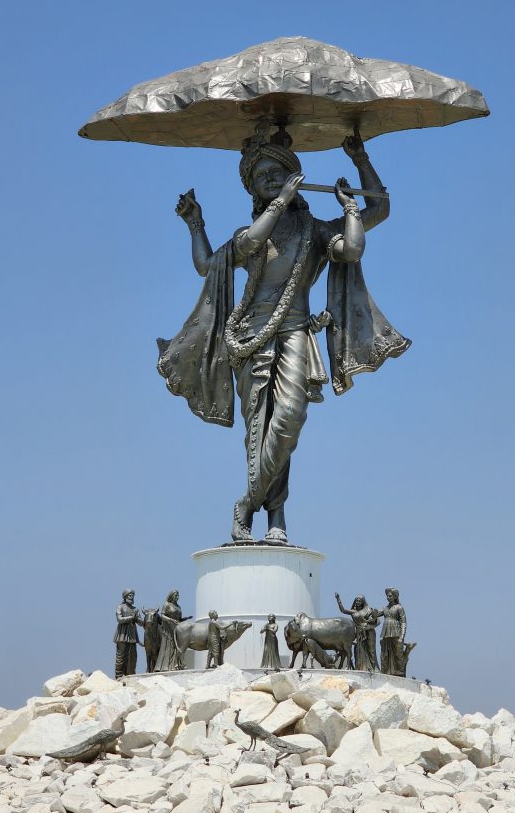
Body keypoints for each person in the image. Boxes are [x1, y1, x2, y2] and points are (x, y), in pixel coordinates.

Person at [159, 126, 409, 544]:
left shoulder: (313, 229)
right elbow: (210, 264)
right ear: (253, 190)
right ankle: (275, 517)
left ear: (294, 174)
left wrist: (358, 169)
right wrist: (196, 222)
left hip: (296, 333)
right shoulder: (253, 231)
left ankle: (247, 503)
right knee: (259, 427)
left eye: (277, 172)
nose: (270, 179)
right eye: (261, 177)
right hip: (250, 338)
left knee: (289, 418)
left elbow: (364, 231)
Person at [335, 592, 379, 671]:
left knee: (371, 650)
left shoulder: (368, 610)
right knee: (358, 651)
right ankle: (361, 667)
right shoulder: (353, 611)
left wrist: (369, 625)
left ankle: (373, 668)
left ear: (363, 602)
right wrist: (338, 599)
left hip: (369, 632)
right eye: (357, 601)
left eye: (359, 601)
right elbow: (343, 610)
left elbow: (377, 621)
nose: (358, 602)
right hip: (359, 633)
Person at [379, 587, 409, 676]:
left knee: (397, 653)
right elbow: (375, 614)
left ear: (395, 596)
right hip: (386, 631)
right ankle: (385, 670)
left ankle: (399, 672)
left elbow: (403, 622)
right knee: (385, 652)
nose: (388, 597)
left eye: (390, 596)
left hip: (396, 631)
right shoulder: (385, 608)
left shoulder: (399, 607)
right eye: (387, 596)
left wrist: (402, 636)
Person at [113, 589, 143, 678]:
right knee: (121, 657)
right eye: (129, 595)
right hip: (122, 635)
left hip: (132, 636)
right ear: (125, 596)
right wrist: (131, 617)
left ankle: (131, 675)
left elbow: (141, 623)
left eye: (133, 595)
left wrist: (138, 619)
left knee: (132, 657)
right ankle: (118, 676)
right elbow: (119, 619)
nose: (131, 597)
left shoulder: (135, 609)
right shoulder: (120, 607)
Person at [155, 589, 186, 672]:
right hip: (168, 628)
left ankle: (176, 665)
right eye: (176, 595)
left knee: (177, 646)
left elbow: (179, 619)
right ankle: (165, 666)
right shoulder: (166, 604)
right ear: (171, 596)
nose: (177, 597)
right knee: (169, 645)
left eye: (178, 595)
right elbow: (162, 615)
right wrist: (170, 620)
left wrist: (184, 619)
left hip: (177, 627)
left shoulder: (179, 607)